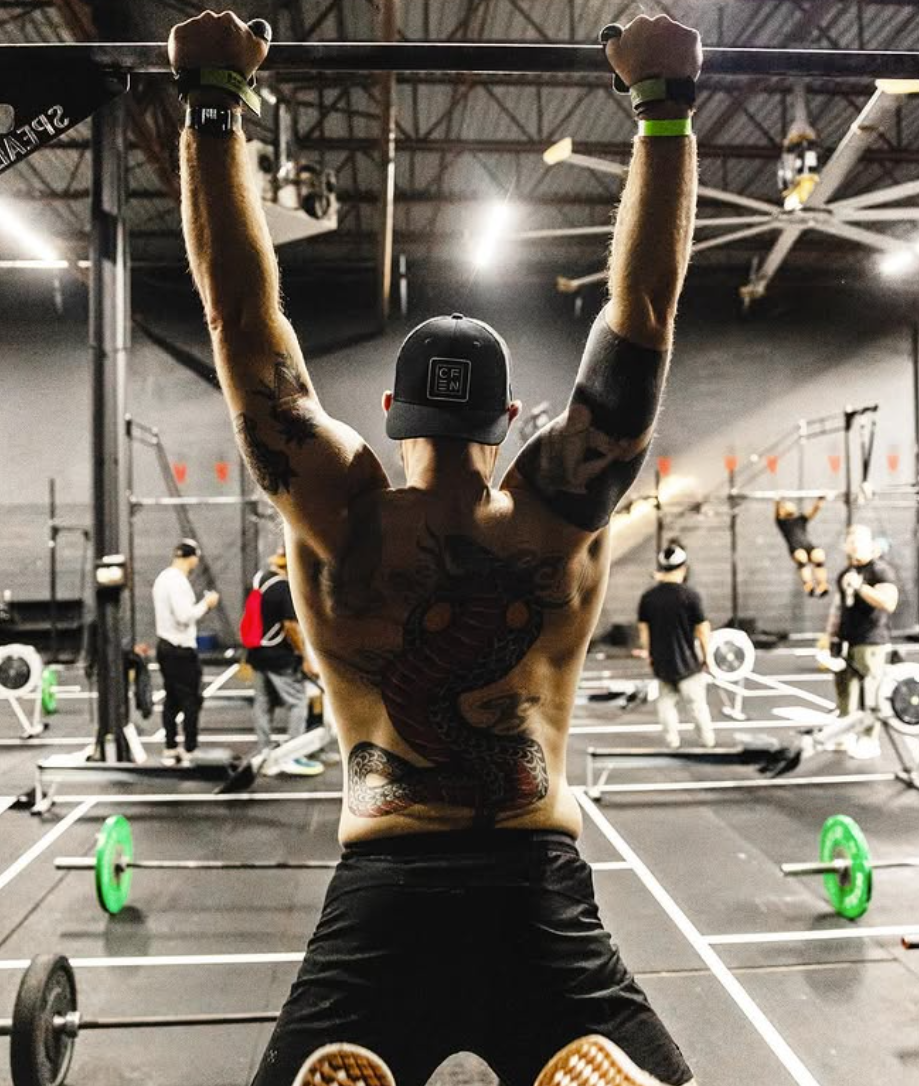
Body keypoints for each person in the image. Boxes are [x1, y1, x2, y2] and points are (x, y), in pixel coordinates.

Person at [171, 11, 700, 1086]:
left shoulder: (341, 515)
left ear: (390, 412)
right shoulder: (557, 513)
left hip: (384, 890)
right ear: (509, 419)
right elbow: (642, 311)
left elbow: (238, 321)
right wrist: (662, 108)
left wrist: (213, 106)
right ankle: (564, 1041)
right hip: (535, 886)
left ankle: (350, 1044)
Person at [247, 544, 324, 776]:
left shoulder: (260, 578)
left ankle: (264, 752)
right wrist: (304, 657)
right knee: (298, 702)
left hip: (257, 652)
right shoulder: (284, 587)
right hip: (278, 655)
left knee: (263, 703)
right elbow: (290, 626)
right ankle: (293, 755)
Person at [825, 523, 898, 759]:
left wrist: (862, 588)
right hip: (846, 640)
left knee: (871, 693)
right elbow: (838, 609)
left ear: (869, 544)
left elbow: (889, 603)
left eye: (859, 541)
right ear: (845, 545)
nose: (854, 546)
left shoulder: (880, 571)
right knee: (845, 692)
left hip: (871, 641)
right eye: (851, 541)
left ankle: (869, 739)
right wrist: (830, 637)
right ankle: (844, 735)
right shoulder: (844, 574)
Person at [637, 543, 715, 749]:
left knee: (665, 705)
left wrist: (650, 655)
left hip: (663, 663)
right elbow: (702, 630)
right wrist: (708, 657)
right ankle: (707, 741)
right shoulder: (690, 596)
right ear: (684, 568)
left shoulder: (648, 598)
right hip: (689, 663)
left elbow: (644, 632)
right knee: (697, 705)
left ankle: (672, 742)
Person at [152, 538, 219, 766]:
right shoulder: (178, 582)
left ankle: (171, 748)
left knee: (172, 699)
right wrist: (206, 604)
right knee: (191, 700)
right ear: (192, 558)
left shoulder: (163, 578)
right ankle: (190, 749)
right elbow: (184, 617)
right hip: (180, 649)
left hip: (165, 647)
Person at [775, 496, 829, 597]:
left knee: (819, 555)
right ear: (782, 510)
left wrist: (820, 500)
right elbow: (777, 509)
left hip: (807, 545)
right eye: (786, 506)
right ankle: (809, 585)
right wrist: (777, 500)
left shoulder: (801, 519)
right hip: (796, 548)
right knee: (802, 557)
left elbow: (814, 511)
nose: (790, 507)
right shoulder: (781, 522)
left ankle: (822, 585)